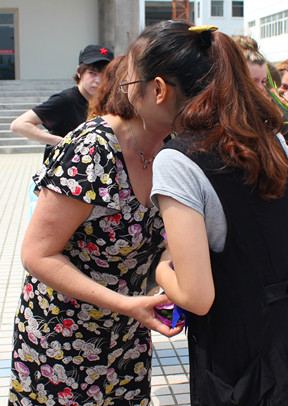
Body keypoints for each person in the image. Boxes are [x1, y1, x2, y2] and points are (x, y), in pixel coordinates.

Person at [114, 21, 288, 405]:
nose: (129, 98)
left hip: (241, 359)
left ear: (159, 89)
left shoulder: (177, 160)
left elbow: (197, 297)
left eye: (132, 86)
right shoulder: (269, 136)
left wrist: (163, 267)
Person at [9, 47, 183, 404]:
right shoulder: (93, 149)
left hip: (127, 331)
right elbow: (37, 254)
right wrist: (125, 303)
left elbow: (163, 236)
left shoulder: (172, 150)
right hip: (63, 338)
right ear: (161, 90)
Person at [10, 44, 114, 161]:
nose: (98, 81)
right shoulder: (65, 100)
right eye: (92, 73)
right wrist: (61, 142)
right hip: (64, 174)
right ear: (79, 72)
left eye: (105, 75)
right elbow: (19, 125)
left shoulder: (108, 102)